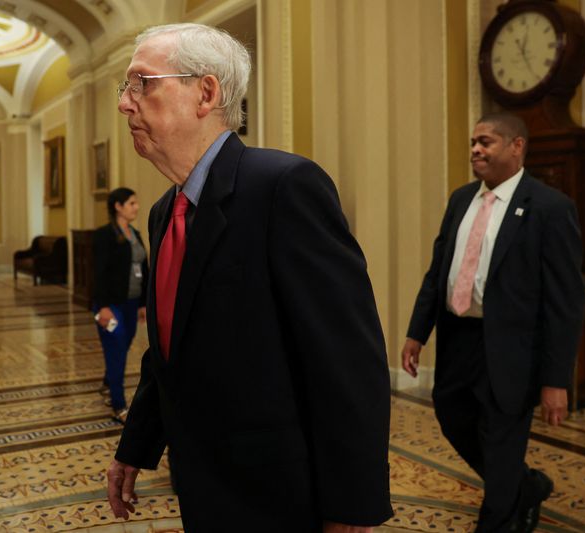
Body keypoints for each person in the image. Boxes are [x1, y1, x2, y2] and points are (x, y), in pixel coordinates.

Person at [106, 23, 392, 532]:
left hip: (280, 494)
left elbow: (345, 360)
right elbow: (171, 348)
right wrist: (138, 445)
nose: (126, 104)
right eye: (126, 89)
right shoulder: (162, 212)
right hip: (202, 484)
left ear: (206, 92)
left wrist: (352, 506)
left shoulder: (284, 187)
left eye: (142, 83)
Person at [401, 113, 585, 532]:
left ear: (517, 146)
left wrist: (557, 380)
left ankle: (500, 516)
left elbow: (565, 302)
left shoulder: (550, 209)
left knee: (502, 444)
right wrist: (417, 332)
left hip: (512, 351)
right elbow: (438, 272)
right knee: (452, 418)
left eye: (486, 142)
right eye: (473, 143)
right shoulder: (461, 199)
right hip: (460, 340)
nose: (475, 150)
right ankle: (525, 485)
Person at [93, 187, 148, 423]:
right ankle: (119, 405)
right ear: (118, 206)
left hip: (131, 303)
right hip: (110, 305)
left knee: (123, 345)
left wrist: (143, 303)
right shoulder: (104, 235)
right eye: (132, 203)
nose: (136, 207)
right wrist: (102, 307)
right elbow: (98, 273)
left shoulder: (135, 233)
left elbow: (144, 269)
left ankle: (108, 382)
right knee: (116, 350)